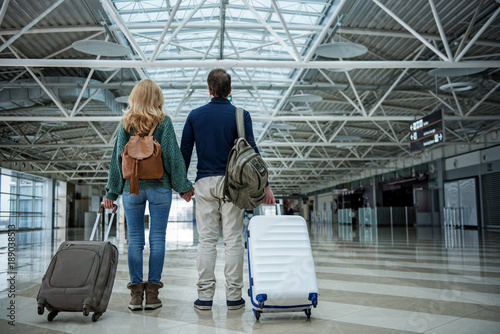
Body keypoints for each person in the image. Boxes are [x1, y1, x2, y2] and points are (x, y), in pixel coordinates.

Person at [180, 68, 275, 311]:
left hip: (203, 183)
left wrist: (182, 185)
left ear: (209, 90)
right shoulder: (240, 115)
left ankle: (204, 298)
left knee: (206, 241)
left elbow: (185, 153)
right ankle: (234, 297)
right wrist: (266, 186)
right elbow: (252, 152)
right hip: (233, 184)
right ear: (230, 90)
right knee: (233, 240)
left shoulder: (194, 116)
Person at [104, 79, 194, 311]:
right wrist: (183, 186)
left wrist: (111, 193)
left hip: (131, 189)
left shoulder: (126, 123)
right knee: (157, 239)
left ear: (135, 97)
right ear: (157, 98)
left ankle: (135, 296)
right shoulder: (163, 122)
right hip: (159, 186)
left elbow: (116, 161)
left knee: (134, 239)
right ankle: (152, 295)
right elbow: (172, 158)